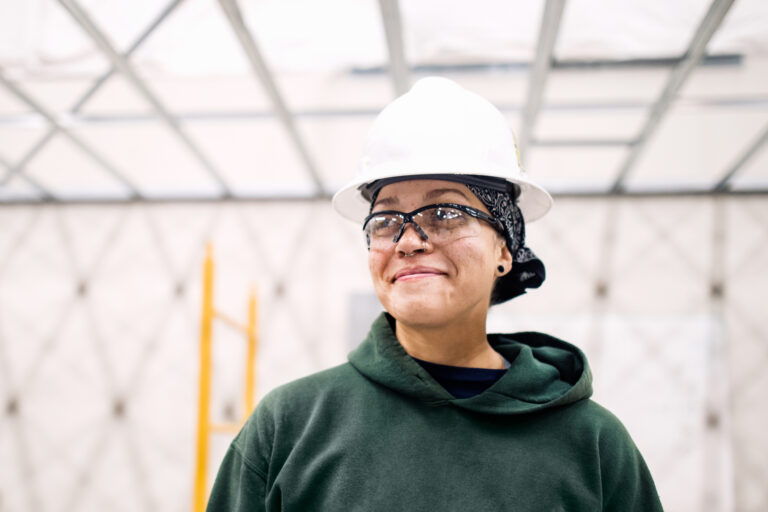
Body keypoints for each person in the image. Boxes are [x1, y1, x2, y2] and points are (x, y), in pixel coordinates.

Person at [206, 77, 663, 511]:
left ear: (505, 249)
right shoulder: (289, 426)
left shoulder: (595, 445)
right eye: (386, 220)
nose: (408, 240)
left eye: (445, 212)